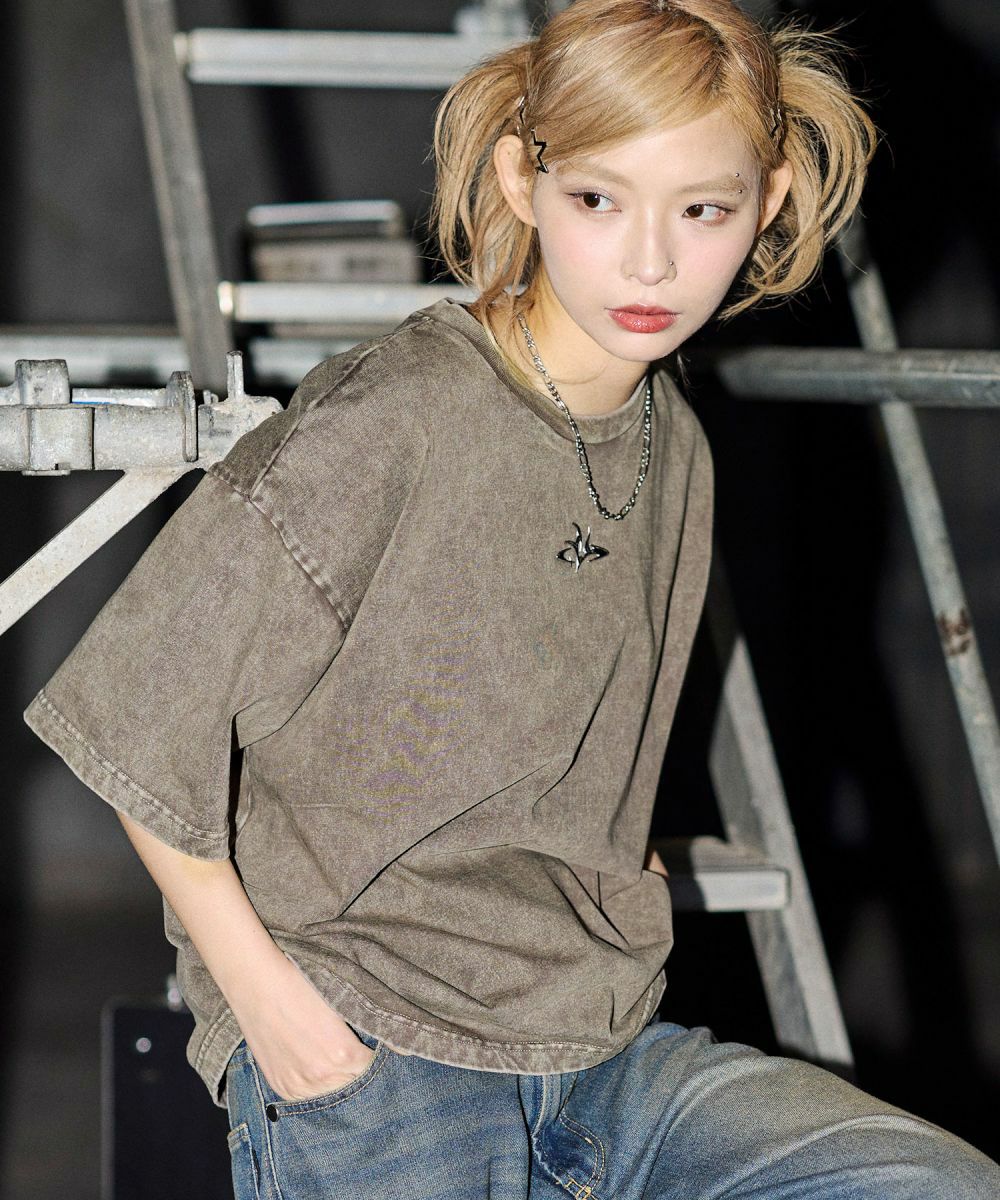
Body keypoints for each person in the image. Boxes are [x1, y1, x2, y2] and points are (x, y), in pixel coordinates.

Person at [25, 1, 1000, 1197]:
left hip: (600, 1049)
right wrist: (278, 1019)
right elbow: (132, 720)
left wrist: (616, 882)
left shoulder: (675, 443)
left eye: (702, 210)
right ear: (520, 183)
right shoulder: (391, 421)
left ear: (770, 201)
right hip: (379, 1052)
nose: (650, 263)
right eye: (598, 200)